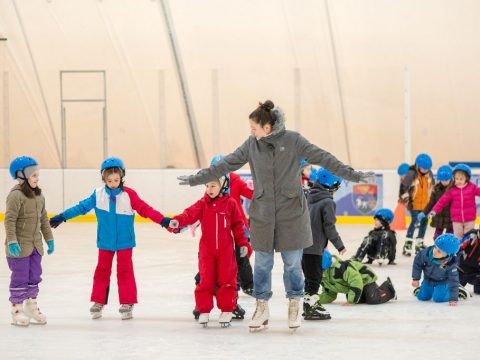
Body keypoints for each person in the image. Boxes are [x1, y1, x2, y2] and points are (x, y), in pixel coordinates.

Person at [177, 99, 374, 330]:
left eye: (254, 128)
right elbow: (226, 165)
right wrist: (196, 179)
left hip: (291, 215)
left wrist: (353, 175)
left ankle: (294, 303)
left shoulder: (294, 141)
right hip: (262, 215)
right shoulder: (252, 145)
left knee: (292, 264)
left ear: (267, 128)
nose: (251, 132)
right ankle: (262, 307)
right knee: (262, 264)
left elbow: (324, 158)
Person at [49, 157, 171, 320]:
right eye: (109, 180)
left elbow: (145, 209)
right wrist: (62, 217)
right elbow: (81, 207)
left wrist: (162, 220)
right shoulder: (98, 195)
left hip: (124, 241)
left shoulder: (129, 195)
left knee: (125, 270)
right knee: (102, 271)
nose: (113, 183)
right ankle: (98, 301)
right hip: (105, 240)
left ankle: (127, 302)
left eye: (116, 180)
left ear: (122, 177)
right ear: (103, 179)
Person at [169, 175, 252, 328]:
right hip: (207, 251)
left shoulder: (231, 204)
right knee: (205, 280)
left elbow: (238, 226)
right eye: (207, 186)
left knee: (227, 280)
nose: (209, 189)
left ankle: (227, 310)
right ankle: (204, 310)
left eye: (213, 186)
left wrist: (243, 244)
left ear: (223, 186)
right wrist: (176, 221)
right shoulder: (202, 204)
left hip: (226, 251)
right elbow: (189, 214)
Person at [192, 154, 254, 321]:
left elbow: (251, 194)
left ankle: (231, 303)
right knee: (207, 270)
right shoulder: (212, 186)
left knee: (233, 270)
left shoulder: (235, 181)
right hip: (215, 236)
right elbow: (204, 209)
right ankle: (203, 304)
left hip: (235, 230)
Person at [4, 156, 54, 326]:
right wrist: (12, 241)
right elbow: (9, 220)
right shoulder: (15, 196)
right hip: (19, 246)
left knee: (34, 276)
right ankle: (17, 309)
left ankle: (31, 306)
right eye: (33, 175)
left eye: (37, 175)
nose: (37, 178)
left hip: (35, 247)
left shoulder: (39, 196)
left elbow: (44, 220)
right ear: (21, 176)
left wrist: (49, 239)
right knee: (20, 277)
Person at [302, 167, 345, 320]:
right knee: (315, 278)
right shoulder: (327, 202)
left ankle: (309, 303)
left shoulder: (309, 196)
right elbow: (329, 227)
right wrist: (339, 245)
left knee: (309, 277)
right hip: (314, 247)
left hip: (303, 245)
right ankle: (310, 306)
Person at [421, 164, 480, 241]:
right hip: (456, 220)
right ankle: (457, 251)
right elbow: (441, 202)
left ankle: (468, 252)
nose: (458, 181)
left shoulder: (472, 187)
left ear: (467, 178)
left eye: (461, 179)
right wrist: (434, 210)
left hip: (469, 219)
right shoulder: (452, 190)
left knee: (468, 237)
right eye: (456, 179)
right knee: (457, 238)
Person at [318, 250, 396, 305]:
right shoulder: (323, 276)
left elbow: (356, 279)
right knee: (359, 300)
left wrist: (350, 301)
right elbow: (329, 294)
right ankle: (369, 292)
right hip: (354, 286)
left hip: (365, 279)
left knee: (373, 298)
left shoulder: (339, 268)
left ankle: (388, 288)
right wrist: (317, 300)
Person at [400, 154, 435, 256]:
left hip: (425, 205)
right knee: (415, 221)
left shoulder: (429, 174)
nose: (426, 170)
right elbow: (403, 188)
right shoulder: (411, 174)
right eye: (424, 168)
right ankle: (408, 243)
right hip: (413, 204)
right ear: (418, 166)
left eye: (428, 168)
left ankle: (419, 242)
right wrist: (406, 200)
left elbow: (433, 187)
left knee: (424, 222)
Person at [412, 233, 460, 306]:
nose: (435, 252)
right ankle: (423, 289)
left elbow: (453, 280)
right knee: (422, 298)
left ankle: (450, 292)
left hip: (442, 282)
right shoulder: (425, 253)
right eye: (435, 247)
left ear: (448, 255)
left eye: (439, 252)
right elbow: (417, 264)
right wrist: (416, 278)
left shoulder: (451, 264)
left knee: (438, 299)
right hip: (428, 279)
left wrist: (453, 298)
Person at [416, 165, 453, 240]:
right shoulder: (436, 189)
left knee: (449, 237)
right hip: (439, 217)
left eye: (446, 180)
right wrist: (424, 212)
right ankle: (437, 249)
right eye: (442, 180)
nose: (444, 182)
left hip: (451, 218)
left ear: (451, 178)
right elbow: (431, 203)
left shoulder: (454, 189)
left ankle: (448, 250)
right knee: (437, 237)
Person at [458, 229, 480, 296]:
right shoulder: (470, 239)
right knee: (454, 287)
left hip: (475, 274)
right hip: (462, 270)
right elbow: (458, 247)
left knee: (478, 291)